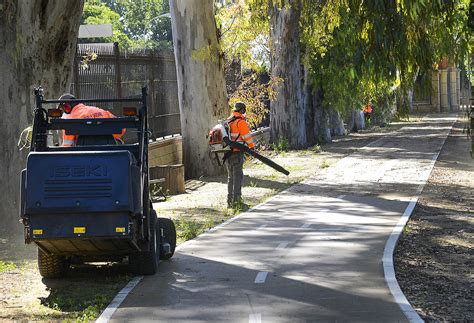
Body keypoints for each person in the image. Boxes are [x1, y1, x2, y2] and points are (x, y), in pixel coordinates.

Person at [57, 93, 123, 147]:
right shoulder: (101, 111)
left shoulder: (70, 120)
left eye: (64, 109)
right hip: (108, 147)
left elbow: (67, 145)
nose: (64, 112)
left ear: (67, 106)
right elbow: (121, 128)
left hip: (83, 152)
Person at [226, 102, 255, 208]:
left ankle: (230, 201)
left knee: (230, 178)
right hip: (237, 152)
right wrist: (251, 146)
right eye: (244, 110)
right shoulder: (240, 122)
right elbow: (246, 136)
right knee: (238, 177)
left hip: (227, 153)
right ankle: (237, 200)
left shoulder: (228, 120)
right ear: (242, 110)